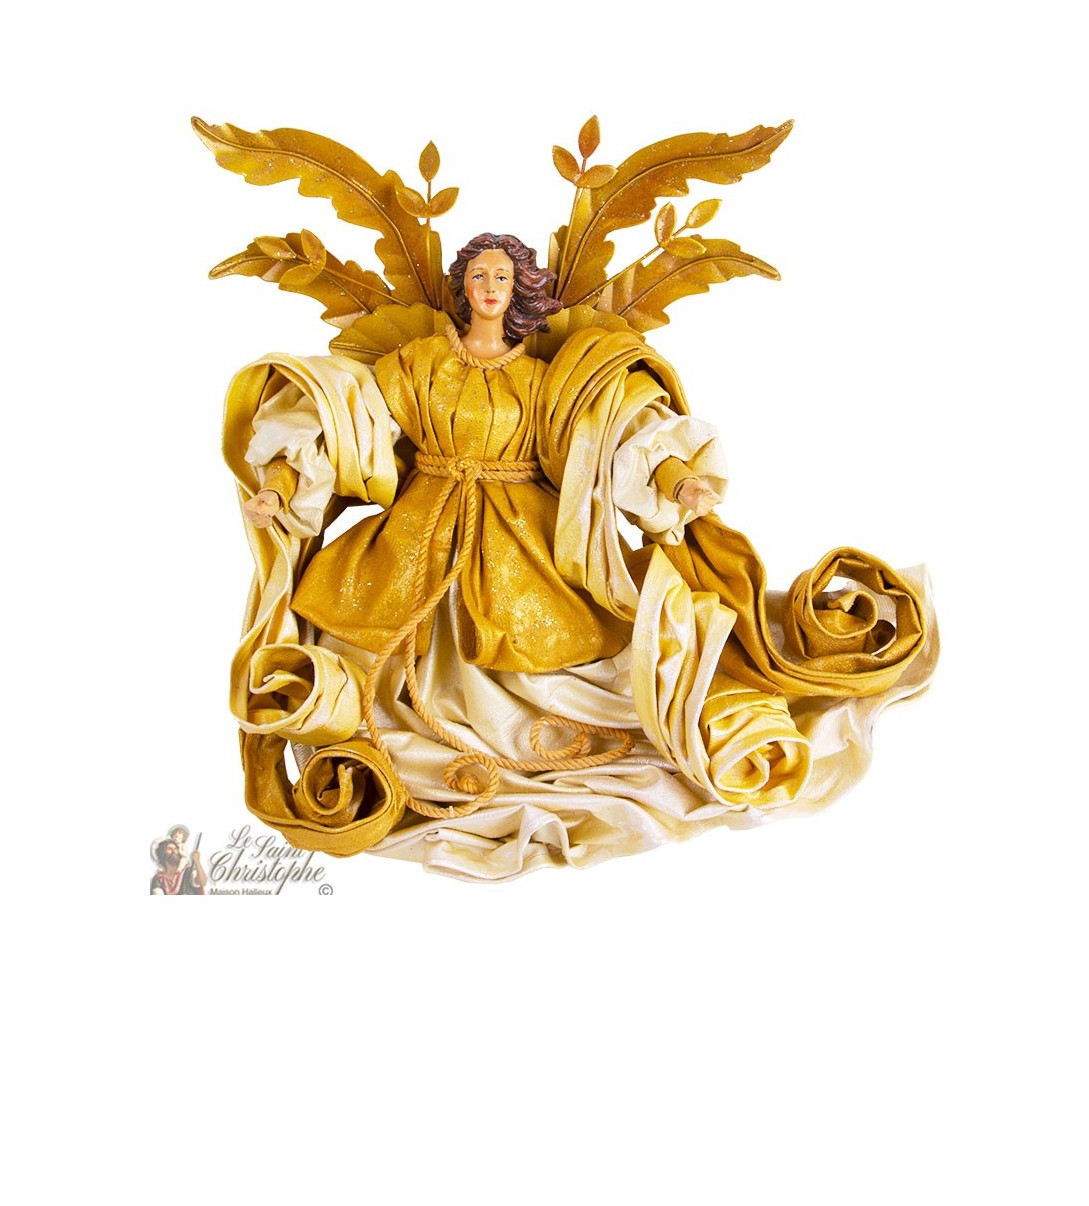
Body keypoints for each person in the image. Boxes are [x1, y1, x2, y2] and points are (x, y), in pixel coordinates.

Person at [222, 234, 934, 880]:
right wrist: (281, 479)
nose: (490, 287)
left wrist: (674, 478)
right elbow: (349, 416)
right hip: (418, 527)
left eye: (502, 276)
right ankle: (410, 734)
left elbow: (613, 428)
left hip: (521, 533)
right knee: (372, 628)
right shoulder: (419, 365)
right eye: (479, 275)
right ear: (462, 285)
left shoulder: (542, 382)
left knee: (552, 646)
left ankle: (526, 735)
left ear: (519, 288)